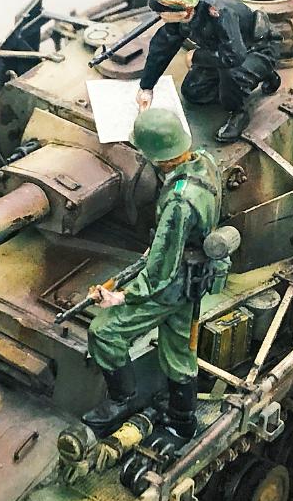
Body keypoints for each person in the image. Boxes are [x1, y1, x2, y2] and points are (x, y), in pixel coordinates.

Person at [82, 108, 223, 439]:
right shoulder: (204, 161)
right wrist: (166, 242)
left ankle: (122, 400)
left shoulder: (179, 202)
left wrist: (121, 296)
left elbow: (159, 272)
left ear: (157, 158)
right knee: (179, 348)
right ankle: (182, 421)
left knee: (104, 332)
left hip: (172, 283)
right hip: (194, 275)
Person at [135, 0, 282, 142]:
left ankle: (238, 112)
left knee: (232, 74)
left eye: (162, 12)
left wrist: (197, 56)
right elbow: (162, 47)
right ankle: (245, 82)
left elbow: (235, 56)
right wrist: (147, 87)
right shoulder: (181, 18)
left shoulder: (221, 14)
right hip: (222, 51)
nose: (159, 15)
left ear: (185, 10)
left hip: (256, 49)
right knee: (193, 91)